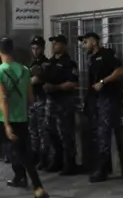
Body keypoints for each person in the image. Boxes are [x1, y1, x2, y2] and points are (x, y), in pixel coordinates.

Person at [0, 36, 49, 198]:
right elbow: (31, 99)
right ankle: (38, 188)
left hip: (1, 120)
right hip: (21, 119)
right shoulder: (25, 70)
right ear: (12, 50)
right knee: (24, 156)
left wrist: (6, 125)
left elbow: (3, 98)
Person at [79, 32, 123, 183]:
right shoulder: (92, 58)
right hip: (96, 101)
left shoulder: (105, 54)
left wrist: (103, 81)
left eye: (85, 42)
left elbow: (120, 70)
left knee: (104, 135)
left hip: (107, 100)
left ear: (94, 41)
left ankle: (102, 170)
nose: (83, 46)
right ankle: (101, 167)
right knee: (98, 135)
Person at [43, 35, 79, 175]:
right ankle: (57, 160)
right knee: (50, 131)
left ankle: (70, 164)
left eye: (56, 44)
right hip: (51, 102)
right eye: (52, 44)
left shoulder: (69, 63)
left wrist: (56, 88)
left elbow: (74, 83)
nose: (53, 46)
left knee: (65, 133)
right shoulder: (50, 62)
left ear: (64, 45)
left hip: (64, 102)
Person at [28, 36, 50, 170]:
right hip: (33, 100)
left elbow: (33, 80)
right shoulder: (32, 63)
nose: (35, 51)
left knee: (43, 132)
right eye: (33, 48)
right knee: (33, 132)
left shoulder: (44, 63)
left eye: (37, 48)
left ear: (42, 48)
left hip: (41, 100)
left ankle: (43, 158)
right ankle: (35, 157)